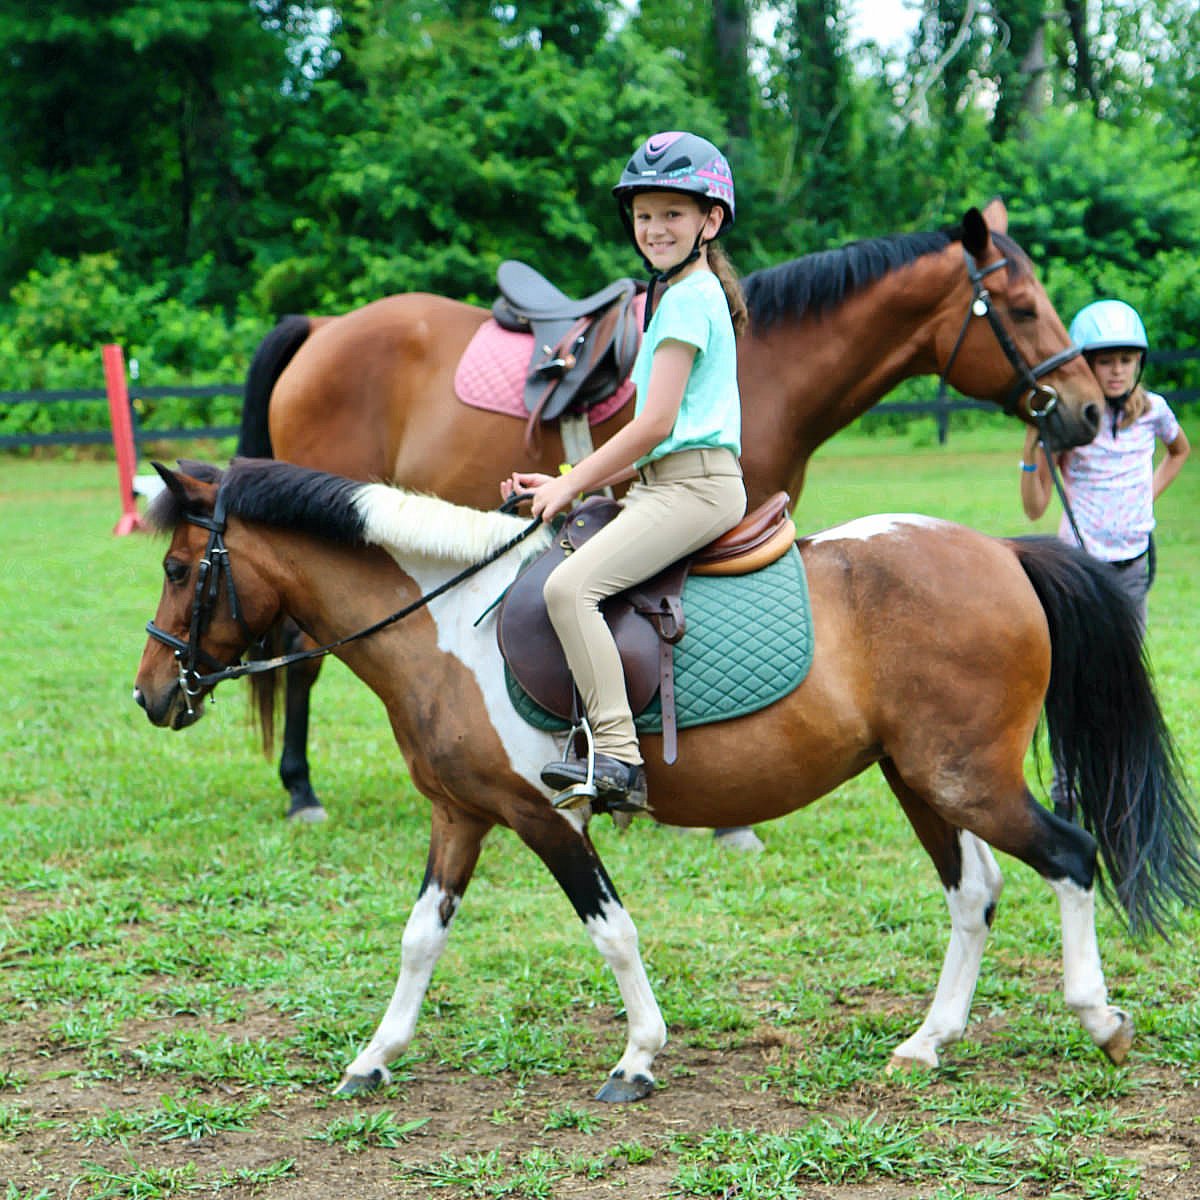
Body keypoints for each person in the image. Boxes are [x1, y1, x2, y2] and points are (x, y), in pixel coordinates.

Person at [501, 131, 748, 813]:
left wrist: (571, 481)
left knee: (569, 589)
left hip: (695, 486)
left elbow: (654, 424)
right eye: (644, 215)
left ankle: (616, 754)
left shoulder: (690, 299)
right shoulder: (678, 295)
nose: (655, 229)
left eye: (672, 213)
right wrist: (564, 487)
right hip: (665, 483)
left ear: (710, 220)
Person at [1019, 298, 1189, 635]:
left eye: (1126, 361)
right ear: (1086, 365)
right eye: (1106, 362)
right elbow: (1035, 508)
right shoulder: (1073, 424)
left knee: (1128, 654)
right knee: (1081, 654)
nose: (1117, 370)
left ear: (1138, 363)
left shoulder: (1153, 411)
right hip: (1081, 563)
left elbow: (1179, 451)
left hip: (1133, 559)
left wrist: (1146, 495)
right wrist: (1030, 449)